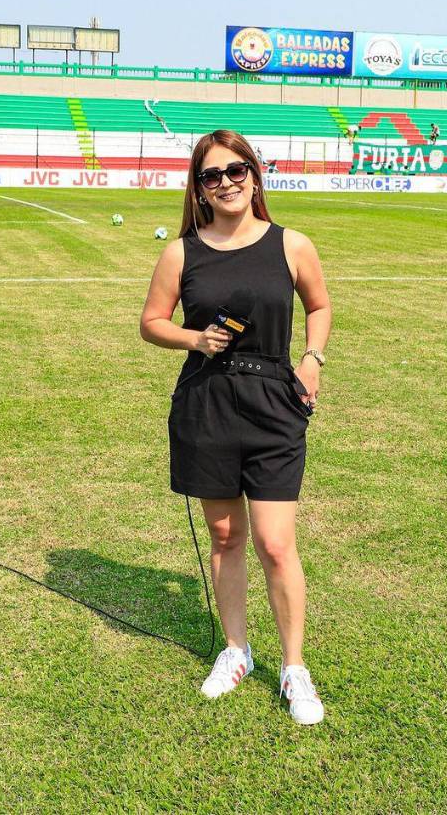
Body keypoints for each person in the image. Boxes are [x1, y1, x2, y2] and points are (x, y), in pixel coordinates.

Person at [139, 129, 331, 725]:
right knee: (225, 538)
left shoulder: (291, 244)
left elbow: (319, 306)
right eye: (211, 175)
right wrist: (194, 338)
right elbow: (151, 322)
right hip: (208, 404)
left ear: (254, 174)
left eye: (235, 170)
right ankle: (236, 650)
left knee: (275, 543)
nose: (225, 182)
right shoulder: (181, 253)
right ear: (198, 189)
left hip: (274, 403)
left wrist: (311, 359)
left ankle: (294, 667)